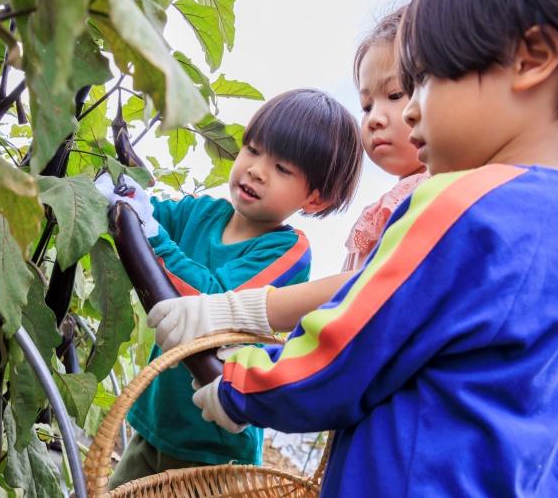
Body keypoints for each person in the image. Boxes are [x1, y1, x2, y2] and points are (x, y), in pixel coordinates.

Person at [147, 0, 558, 495]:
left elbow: (350, 345)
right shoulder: (557, 217)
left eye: (425, 80)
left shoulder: (459, 205)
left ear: (531, 60)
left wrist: (241, 386)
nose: (413, 109)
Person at [95, 88, 363, 488]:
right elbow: (144, 213)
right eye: (252, 150)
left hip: (215, 455)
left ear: (316, 198)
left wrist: (146, 227)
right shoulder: (201, 213)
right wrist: (123, 192)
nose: (256, 170)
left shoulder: (286, 251)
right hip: (153, 428)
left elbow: (212, 299)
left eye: (281, 168)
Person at [344, 4, 429, 272]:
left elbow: (375, 279)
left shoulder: (430, 192)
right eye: (366, 106)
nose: (374, 119)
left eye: (394, 95)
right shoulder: (393, 199)